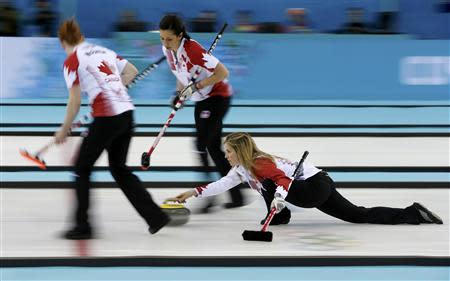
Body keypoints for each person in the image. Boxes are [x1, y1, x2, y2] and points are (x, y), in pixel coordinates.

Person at [167, 132, 443, 226]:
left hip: (312, 187)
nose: (225, 156)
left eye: (228, 152)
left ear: (238, 151)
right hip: (318, 182)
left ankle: (280, 216)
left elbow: (281, 182)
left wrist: (277, 200)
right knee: (358, 215)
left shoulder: (260, 164)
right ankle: (414, 213)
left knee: (268, 185)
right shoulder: (241, 169)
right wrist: (190, 193)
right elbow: (222, 184)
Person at [55, 18, 170, 239]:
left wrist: (64, 128)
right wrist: (115, 85)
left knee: (81, 168)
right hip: (126, 114)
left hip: (107, 118)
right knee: (119, 169)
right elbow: (132, 71)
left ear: (63, 42)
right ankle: (155, 217)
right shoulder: (101, 50)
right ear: (81, 37)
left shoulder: (72, 61)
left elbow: (74, 100)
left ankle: (83, 226)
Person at [158, 14, 245, 212]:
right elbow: (181, 76)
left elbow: (223, 73)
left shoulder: (193, 50)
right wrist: (178, 94)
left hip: (217, 97)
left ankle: (207, 195)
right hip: (202, 100)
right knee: (213, 148)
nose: (165, 42)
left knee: (200, 144)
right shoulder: (168, 50)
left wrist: (197, 86)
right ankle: (237, 195)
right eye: (162, 38)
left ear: (180, 35)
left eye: (169, 39)